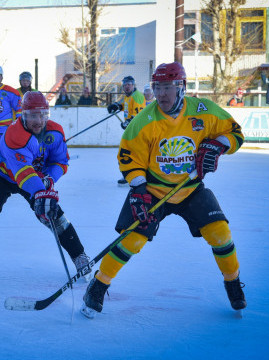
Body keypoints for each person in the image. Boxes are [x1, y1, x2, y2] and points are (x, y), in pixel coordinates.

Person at [81, 62, 246, 319]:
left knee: (220, 233)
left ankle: (233, 282)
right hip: (154, 191)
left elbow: (235, 133)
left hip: (190, 188)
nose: (161, 94)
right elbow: (129, 159)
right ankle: (99, 284)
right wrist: (138, 190)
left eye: (168, 87)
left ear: (182, 87)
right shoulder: (145, 121)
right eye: (157, 87)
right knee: (131, 240)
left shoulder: (203, 111)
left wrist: (217, 146)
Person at [0, 91, 92, 284]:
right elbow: (22, 173)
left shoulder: (55, 132)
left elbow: (60, 162)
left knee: (52, 214)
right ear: (23, 115)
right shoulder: (15, 134)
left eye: (43, 115)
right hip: (0, 175)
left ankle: (80, 257)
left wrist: (49, 181)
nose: (38, 121)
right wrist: (40, 192)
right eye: (33, 115)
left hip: (34, 176)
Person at [107, 75, 146, 186]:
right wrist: (117, 106)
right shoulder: (129, 96)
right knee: (128, 152)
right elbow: (126, 106)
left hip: (137, 130)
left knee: (128, 153)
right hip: (132, 129)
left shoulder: (137, 96)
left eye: (129, 84)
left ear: (133, 85)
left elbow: (138, 115)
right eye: (125, 85)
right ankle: (131, 174)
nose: (126, 87)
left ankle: (133, 174)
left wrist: (128, 122)